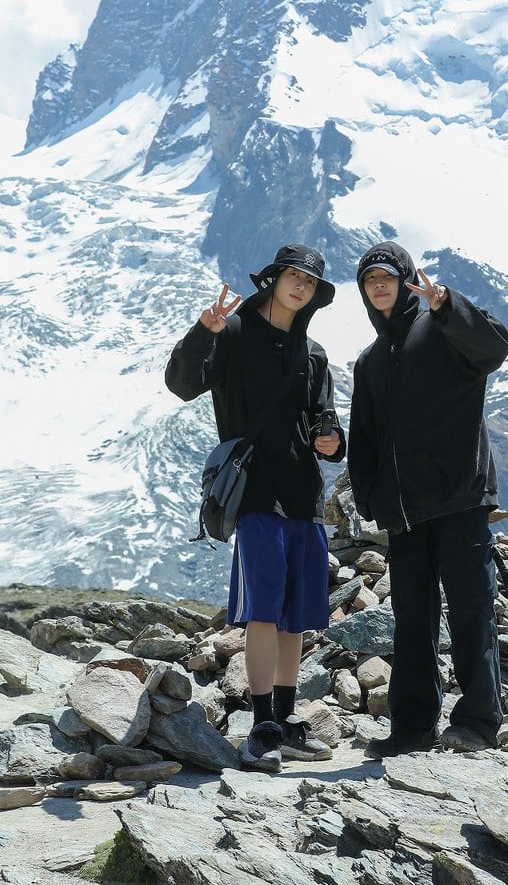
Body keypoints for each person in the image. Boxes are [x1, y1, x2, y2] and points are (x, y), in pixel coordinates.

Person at [165, 244, 345, 771]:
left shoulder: (312, 355)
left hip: (304, 497)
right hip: (256, 496)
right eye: (293, 277)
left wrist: (333, 439)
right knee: (263, 612)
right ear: (273, 279)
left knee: (296, 618)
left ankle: (285, 723)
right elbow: (181, 385)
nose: (300, 287)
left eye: (309, 283)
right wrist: (204, 331)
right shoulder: (236, 333)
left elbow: (323, 419)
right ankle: (260, 726)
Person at [347, 241, 508, 757]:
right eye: (369, 279)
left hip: (459, 498)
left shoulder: (442, 330)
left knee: (471, 613)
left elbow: (494, 348)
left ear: (403, 280)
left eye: (387, 277)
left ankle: (478, 722)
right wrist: (372, 495)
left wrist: (448, 305)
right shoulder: (371, 360)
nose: (379, 286)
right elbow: (366, 435)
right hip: (404, 512)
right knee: (411, 622)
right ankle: (413, 728)